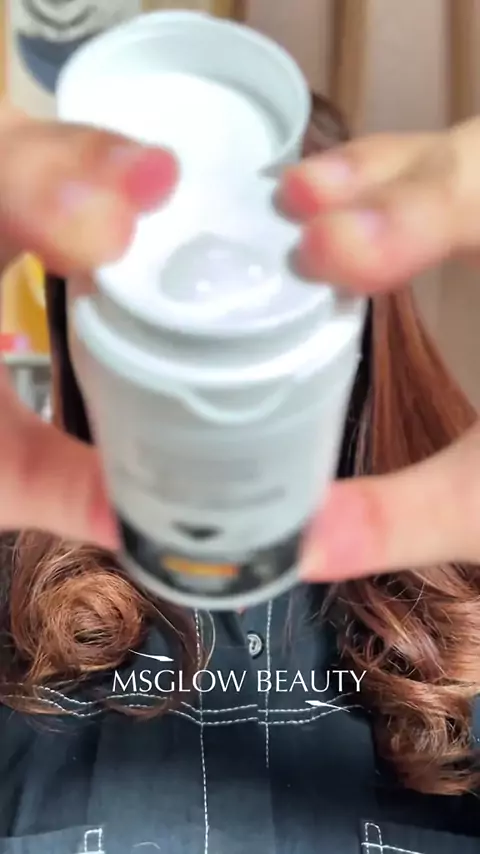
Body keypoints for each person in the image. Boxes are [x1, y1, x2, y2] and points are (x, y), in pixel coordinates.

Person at [1, 94, 480, 852]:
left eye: (270, 258)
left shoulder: (466, 619)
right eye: (147, 269)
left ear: (366, 301)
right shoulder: (13, 610)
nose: (208, 328)